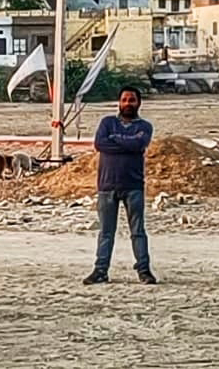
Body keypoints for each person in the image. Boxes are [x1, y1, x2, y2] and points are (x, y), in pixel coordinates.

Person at [83, 85, 156, 286]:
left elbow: (138, 145)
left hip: (133, 186)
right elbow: (100, 144)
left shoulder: (145, 126)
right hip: (107, 186)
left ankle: (144, 270)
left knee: (138, 231)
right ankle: (100, 270)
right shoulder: (107, 122)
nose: (127, 104)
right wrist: (126, 143)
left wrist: (115, 139)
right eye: (124, 100)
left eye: (131, 100)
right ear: (119, 102)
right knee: (106, 232)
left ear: (138, 103)